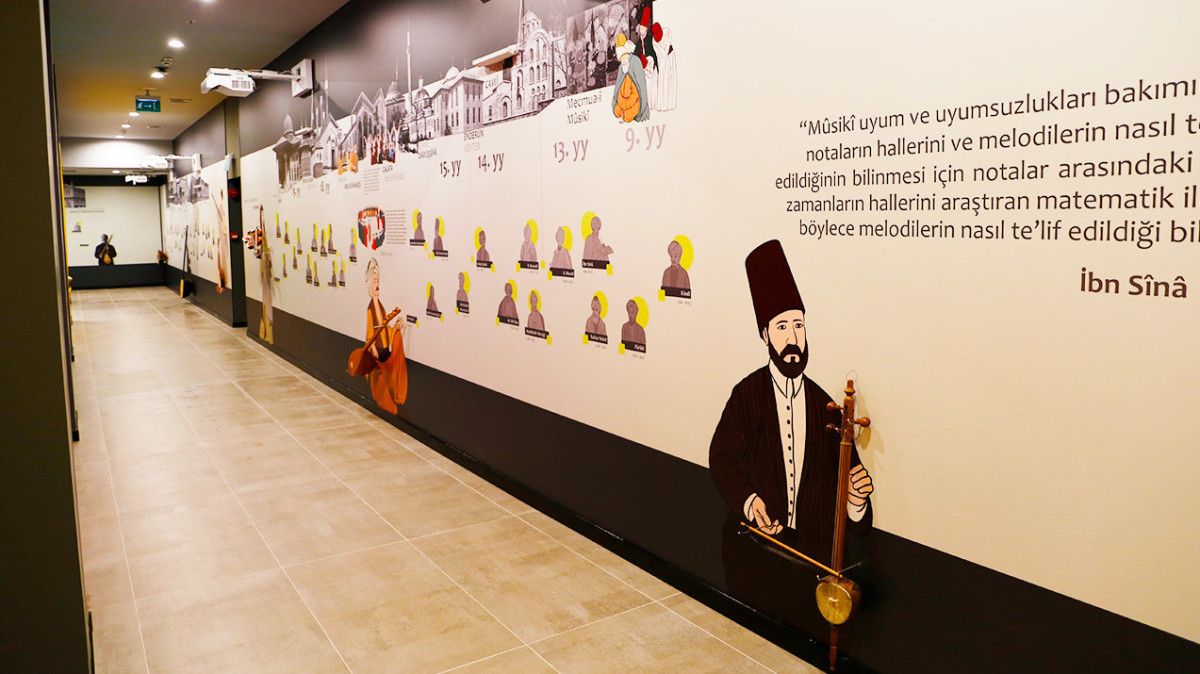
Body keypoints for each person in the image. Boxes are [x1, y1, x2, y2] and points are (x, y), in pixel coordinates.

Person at [708, 240, 874, 627]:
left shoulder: (826, 406)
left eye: (798, 325)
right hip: (756, 552)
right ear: (765, 335)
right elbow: (721, 457)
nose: (793, 337)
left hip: (810, 568)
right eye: (782, 327)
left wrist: (856, 501)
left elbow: (854, 504)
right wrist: (750, 502)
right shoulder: (747, 395)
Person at [362, 259, 407, 414]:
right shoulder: (371, 308)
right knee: (381, 382)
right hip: (377, 350)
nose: (377, 284)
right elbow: (371, 331)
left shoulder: (379, 305)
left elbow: (384, 327)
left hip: (385, 348)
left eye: (378, 281)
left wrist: (395, 328)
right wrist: (373, 349)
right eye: (374, 281)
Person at [611, 33, 649, 123]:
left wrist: (628, 103)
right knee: (617, 111)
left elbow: (639, 86)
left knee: (629, 113)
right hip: (623, 100)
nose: (623, 61)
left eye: (624, 57)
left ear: (628, 54)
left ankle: (627, 114)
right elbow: (619, 86)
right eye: (621, 59)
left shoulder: (635, 61)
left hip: (634, 99)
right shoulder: (622, 67)